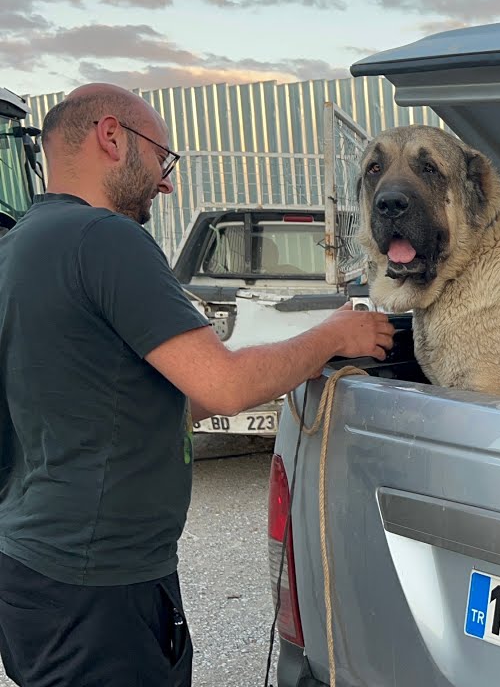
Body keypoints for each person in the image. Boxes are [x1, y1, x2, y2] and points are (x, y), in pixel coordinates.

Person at [0, 83, 394, 686]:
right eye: (163, 157)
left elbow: (179, 399)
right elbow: (227, 382)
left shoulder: (20, 247)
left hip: (34, 572)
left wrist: (297, 366)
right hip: (100, 588)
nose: (166, 181)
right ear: (112, 137)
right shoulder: (105, 239)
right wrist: (332, 335)